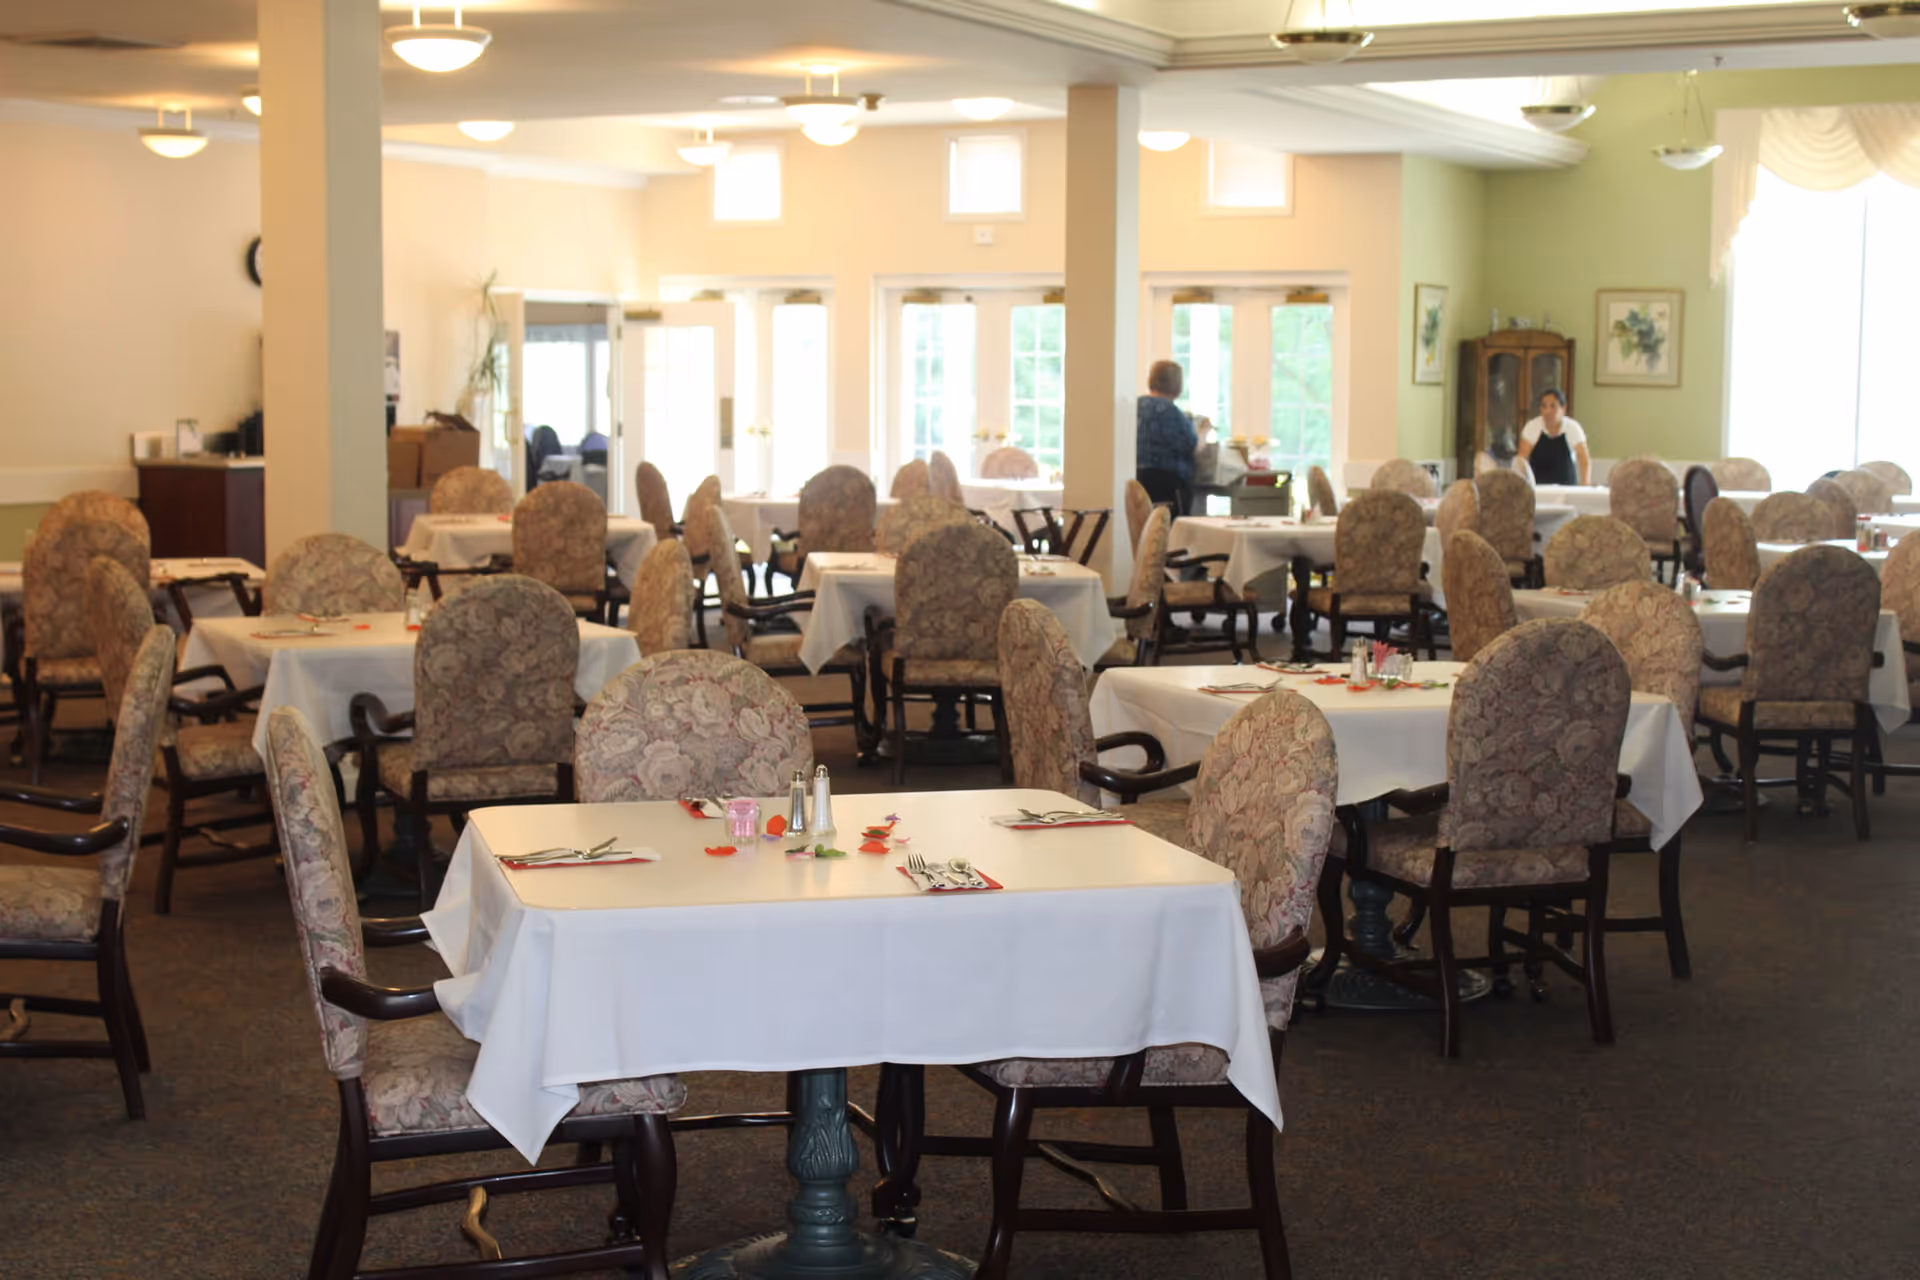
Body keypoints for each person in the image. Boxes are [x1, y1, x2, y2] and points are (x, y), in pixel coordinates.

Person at [1137, 360, 1209, 515]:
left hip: (1138, 482)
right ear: (1177, 385)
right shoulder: (1173, 414)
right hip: (1168, 485)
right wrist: (1204, 431)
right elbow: (1195, 449)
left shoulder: (1135, 406)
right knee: (1171, 531)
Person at [1516, 388, 1590, 486]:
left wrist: (1585, 484)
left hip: (1567, 488)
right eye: (1544, 406)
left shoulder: (1573, 428)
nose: (1547, 411)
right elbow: (1522, 461)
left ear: (1563, 408)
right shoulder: (1532, 427)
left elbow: (1584, 459)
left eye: (1553, 406)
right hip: (1538, 488)